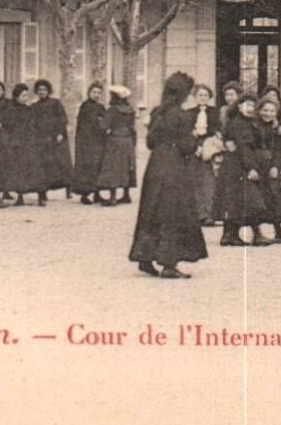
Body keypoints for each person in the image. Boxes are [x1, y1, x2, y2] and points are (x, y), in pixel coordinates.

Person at [128, 72, 208, 279]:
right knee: (174, 213)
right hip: (174, 168)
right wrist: (195, 140)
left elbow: (150, 142)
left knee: (152, 210)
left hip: (155, 166)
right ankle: (169, 263)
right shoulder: (182, 116)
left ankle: (145, 257)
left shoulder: (157, 112)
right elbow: (187, 146)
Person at [217, 94, 274, 246]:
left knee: (235, 200)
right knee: (252, 200)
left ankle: (229, 235)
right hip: (239, 166)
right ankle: (256, 235)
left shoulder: (243, 122)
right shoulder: (240, 124)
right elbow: (243, 147)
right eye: (246, 105)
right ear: (239, 106)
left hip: (234, 165)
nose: (250, 109)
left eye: (253, 106)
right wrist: (250, 168)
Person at [256, 97, 281, 244]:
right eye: (265, 110)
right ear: (259, 110)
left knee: (276, 198)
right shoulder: (255, 127)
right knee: (258, 200)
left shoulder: (276, 129)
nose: (268, 113)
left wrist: (276, 166)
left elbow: (280, 149)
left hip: (271, 167)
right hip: (258, 166)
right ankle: (257, 233)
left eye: (272, 111)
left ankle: (279, 232)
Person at [29, 79, 71, 203]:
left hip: (55, 139)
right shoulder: (34, 106)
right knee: (43, 166)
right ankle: (43, 193)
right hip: (41, 139)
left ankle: (68, 189)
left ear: (48, 91)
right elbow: (32, 123)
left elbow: (62, 119)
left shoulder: (55, 103)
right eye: (39, 90)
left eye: (44, 90)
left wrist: (60, 133)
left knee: (60, 164)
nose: (42, 92)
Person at [95, 86, 136, 207]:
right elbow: (132, 127)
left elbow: (104, 126)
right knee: (127, 166)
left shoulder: (113, 110)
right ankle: (126, 194)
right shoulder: (131, 110)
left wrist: (99, 120)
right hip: (127, 139)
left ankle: (112, 197)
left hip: (115, 140)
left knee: (113, 167)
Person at [188, 83, 222, 225]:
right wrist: (195, 145)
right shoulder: (189, 113)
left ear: (209, 97)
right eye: (200, 95)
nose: (203, 98)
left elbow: (217, 129)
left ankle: (209, 214)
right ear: (195, 97)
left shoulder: (215, 112)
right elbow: (186, 131)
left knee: (209, 182)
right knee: (194, 181)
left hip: (209, 146)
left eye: (205, 95)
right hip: (193, 147)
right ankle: (196, 214)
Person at [72, 82, 109, 204]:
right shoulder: (85, 106)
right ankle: (85, 194)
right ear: (89, 93)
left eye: (99, 93)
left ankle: (97, 193)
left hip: (98, 141)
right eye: (94, 92)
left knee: (97, 166)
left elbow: (105, 123)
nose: (96, 95)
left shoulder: (101, 107)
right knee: (86, 167)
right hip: (86, 141)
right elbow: (83, 126)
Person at [3, 84, 40, 205]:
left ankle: (40, 195)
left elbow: (34, 125)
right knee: (18, 169)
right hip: (15, 143)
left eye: (27, 95)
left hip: (29, 142)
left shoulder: (29, 109)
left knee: (33, 168)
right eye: (23, 95)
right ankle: (20, 196)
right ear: (16, 97)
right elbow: (8, 126)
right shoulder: (10, 110)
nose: (26, 97)